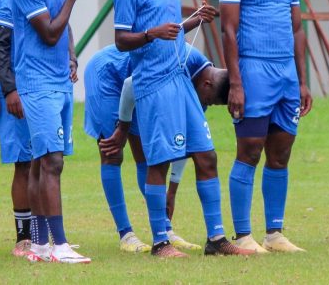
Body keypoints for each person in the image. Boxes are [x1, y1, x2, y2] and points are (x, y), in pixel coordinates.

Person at [114, 0, 251, 257]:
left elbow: (168, 30)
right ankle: (161, 242)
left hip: (180, 82)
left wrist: (192, 21)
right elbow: (121, 40)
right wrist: (150, 34)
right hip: (154, 85)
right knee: (160, 161)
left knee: (206, 155)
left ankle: (216, 240)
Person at [218, 0, 313, 253]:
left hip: (286, 73)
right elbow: (228, 31)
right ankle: (243, 235)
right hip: (253, 70)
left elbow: (298, 28)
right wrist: (237, 83)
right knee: (250, 150)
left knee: (281, 152)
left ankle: (274, 234)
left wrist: (302, 81)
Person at [87, 43, 230, 252]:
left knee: (146, 155)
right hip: (109, 75)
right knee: (112, 153)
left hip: (139, 89)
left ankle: (165, 229)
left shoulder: (199, 87)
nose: (205, 105)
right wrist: (122, 128)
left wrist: (172, 189)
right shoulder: (179, 62)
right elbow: (129, 85)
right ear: (207, 84)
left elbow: (183, 141)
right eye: (208, 100)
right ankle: (126, 234)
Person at [11, 0, 89, 264]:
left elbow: (63, 30)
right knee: (50, 161)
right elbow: (49, 32)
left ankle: (41, 246)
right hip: (37, 83)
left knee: (47, 163)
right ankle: (59, 244)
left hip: (57, 81)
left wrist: (71, 58)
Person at [0, 0, 39, 258]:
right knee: (23, 165)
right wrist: (10, 90)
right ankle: (23, 238)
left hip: (43, 91)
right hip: (18, 93)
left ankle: (44, 234)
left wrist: (71, 60)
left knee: (45, 163)